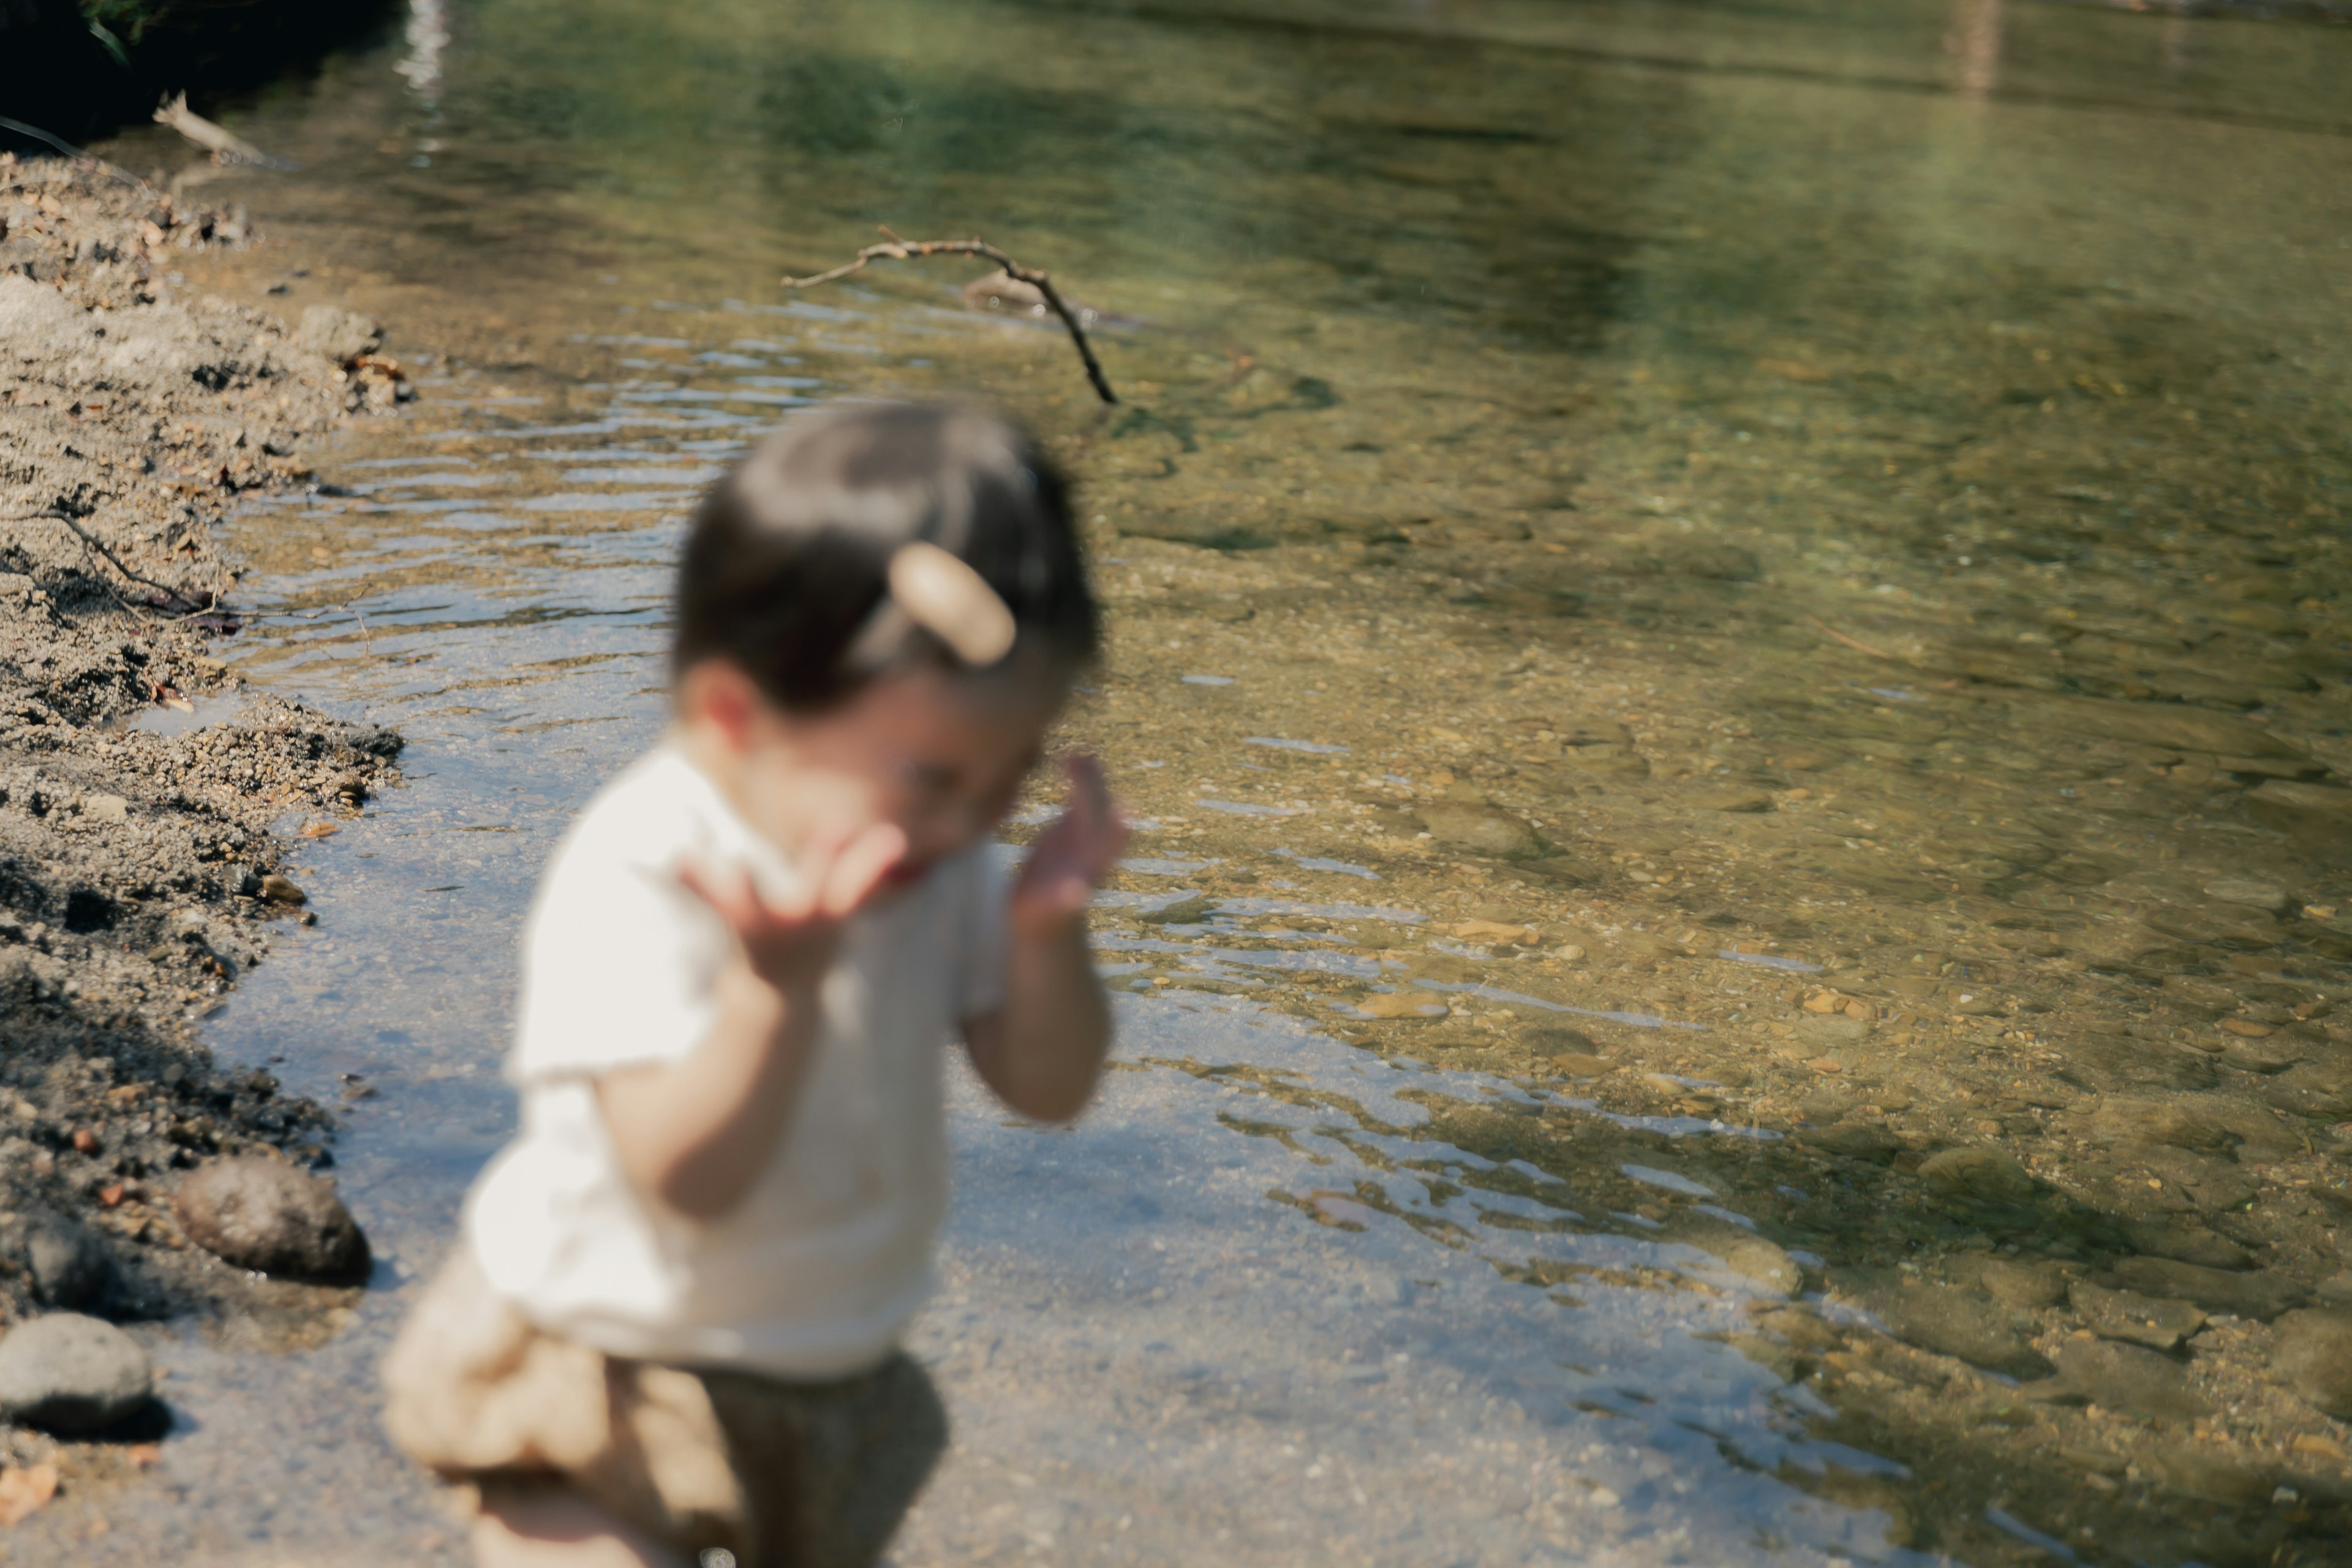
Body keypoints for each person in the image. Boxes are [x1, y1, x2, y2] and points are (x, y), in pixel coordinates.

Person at [382, 402, 1125, 1568]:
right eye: (934, 775)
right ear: (735, 718)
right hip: (601, 1363)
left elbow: (1049, 1089)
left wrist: (1043, 931)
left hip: (827, 1375)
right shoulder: (648, 862)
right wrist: (774, 989)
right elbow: (684, 1175)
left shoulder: (947, 860)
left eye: (1014, 771)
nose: (980, 817)